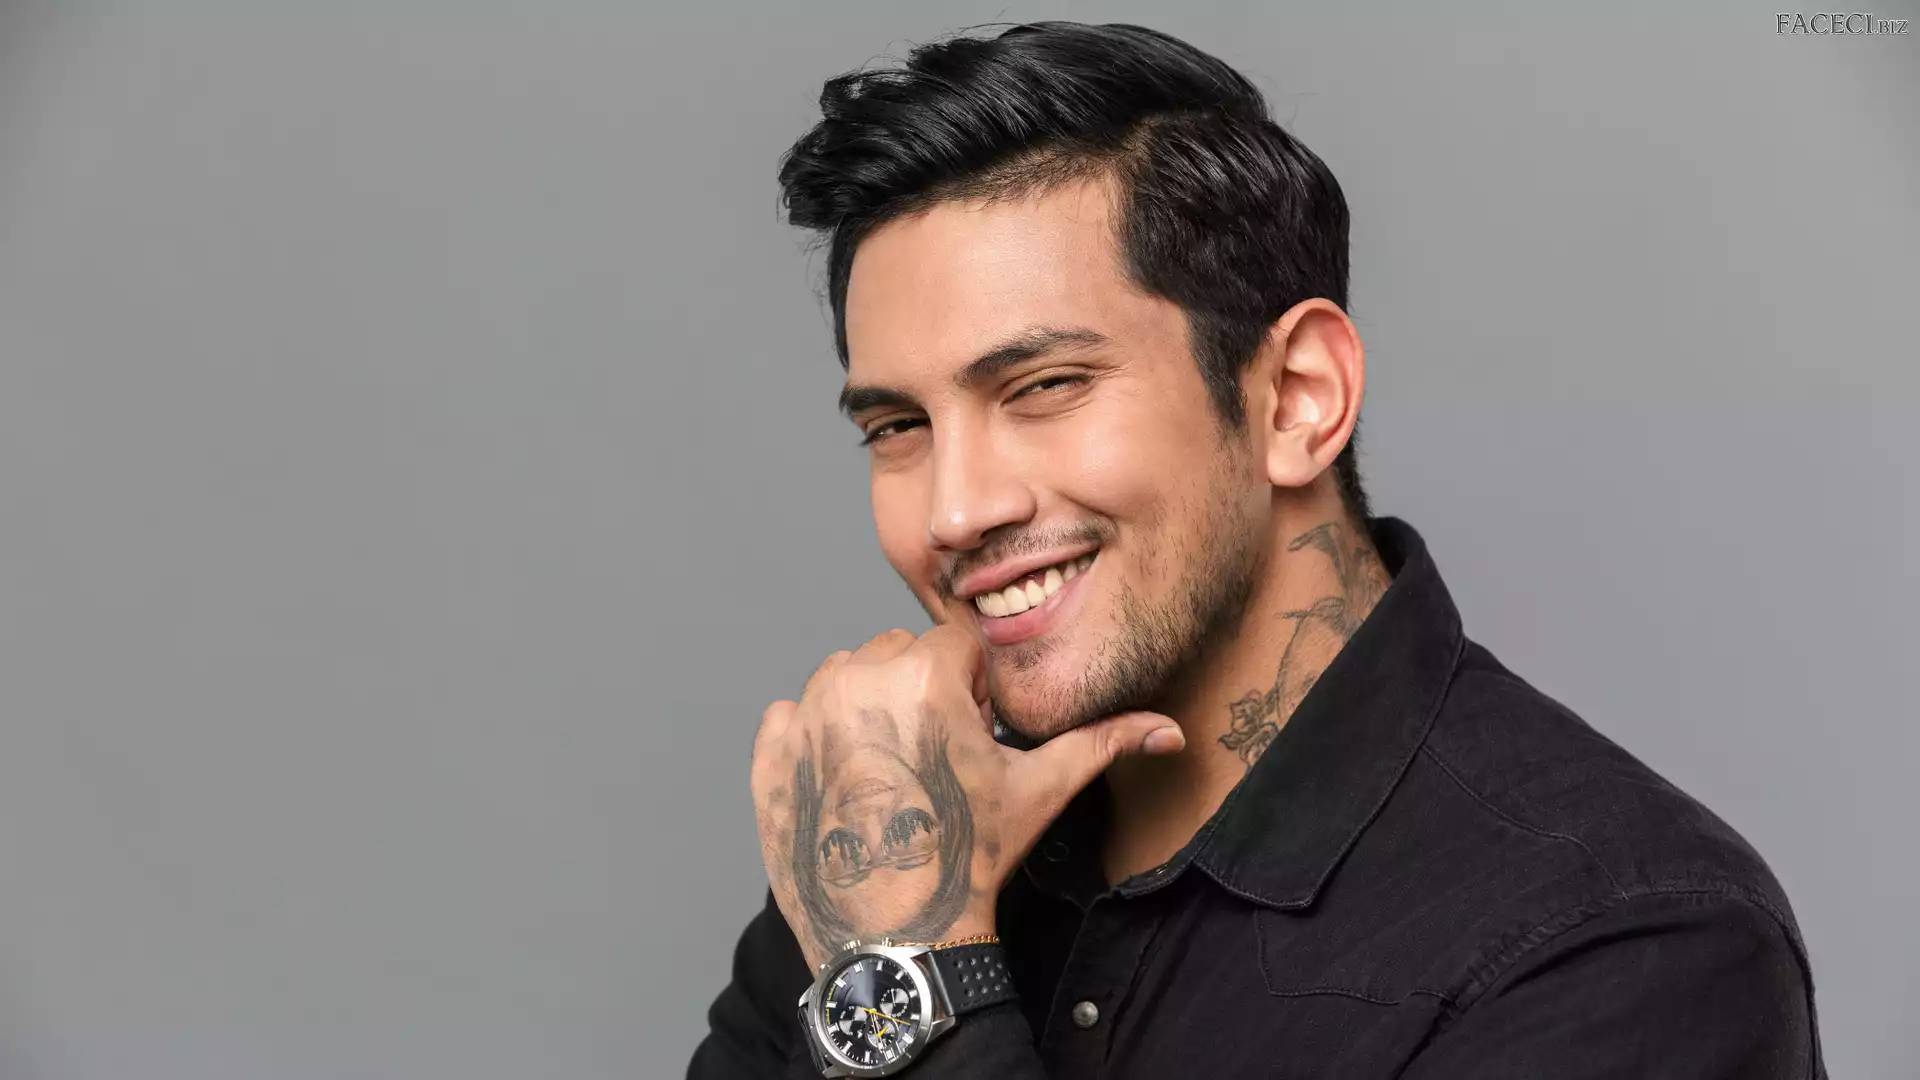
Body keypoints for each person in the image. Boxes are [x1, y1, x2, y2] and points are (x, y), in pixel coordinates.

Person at [687, 20, 1825, 1079]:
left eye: (1044, 386)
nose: (953, 510)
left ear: (1296, 398)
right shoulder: (895, 842)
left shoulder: (1627, 939)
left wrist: (908, 972)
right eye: (898, 427)